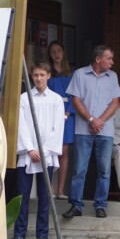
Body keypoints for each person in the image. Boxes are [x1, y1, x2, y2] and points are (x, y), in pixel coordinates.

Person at [62, 45, 120, 219]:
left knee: (104, 170)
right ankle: (76, 205)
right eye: (109, 58)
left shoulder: (113, 77)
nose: (112, 62)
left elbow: (115, 103)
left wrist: (99, 121)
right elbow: (75, 101)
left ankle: (100, 205)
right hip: (83, 129)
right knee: (79, 169)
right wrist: (91, 119)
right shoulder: (80, 74)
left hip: (105, 130)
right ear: (98, 59)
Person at [14, 61, 64, 239]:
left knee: (45, 199)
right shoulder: (24, 98)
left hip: (46, 156)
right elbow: (21, 126)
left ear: (48, 76)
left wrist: (44, 151)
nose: (39, 78)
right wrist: (29, 149)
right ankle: (20, 233)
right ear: (31, 77)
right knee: (23, 197)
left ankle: (42, 235)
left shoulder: (56, 99)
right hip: (28, 154)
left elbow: (57, 128)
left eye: (42, 75)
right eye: (35, 75)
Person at [47, 40, 76, 200]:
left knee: (64, 153)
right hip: (51, 117)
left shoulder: (73, 73)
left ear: (63, 52)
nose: (56, 54)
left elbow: (76, 96)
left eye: (58, 51)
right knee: (51, 151)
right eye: (53, 52)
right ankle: (49, 189)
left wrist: (67, 113)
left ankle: (60, 190)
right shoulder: (47, 73)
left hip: (68, 117)